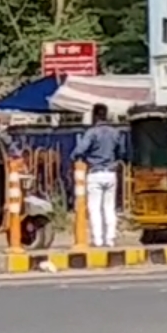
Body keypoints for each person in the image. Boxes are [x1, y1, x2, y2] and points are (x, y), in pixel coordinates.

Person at [70, 104, 124, 249]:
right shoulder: (115, 132)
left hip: (95, 173)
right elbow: (122, 152)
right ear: (106, 115)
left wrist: (76, 157)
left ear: (94, 116)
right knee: (110, 207)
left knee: (94, 208)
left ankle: (98, 240)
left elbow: (79, 151)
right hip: (111, 173)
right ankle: (110, 239)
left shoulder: (92, 133)